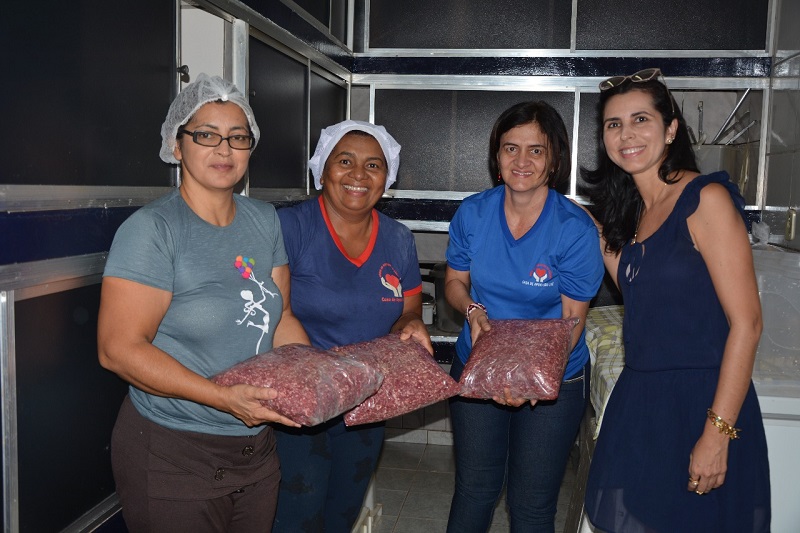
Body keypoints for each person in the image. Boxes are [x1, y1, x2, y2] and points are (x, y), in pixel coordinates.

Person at [97, 73, 310, 533]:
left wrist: (312, 376)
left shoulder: (264, 219)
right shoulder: (153, 231)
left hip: (256, 449)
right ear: (177, 146)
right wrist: (223, 399)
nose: (224, 149)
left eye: (238, 137)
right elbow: (118, 348)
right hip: (174, 450)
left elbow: (282, 318)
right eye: (206, 135)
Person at [581, 68, 770, 532]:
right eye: (613, 124)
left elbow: (747, 323)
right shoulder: (639, 211)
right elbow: (647, 294)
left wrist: (717, 433)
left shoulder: (705, 199)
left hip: (700, 404)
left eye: (640, 119)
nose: (626, 134)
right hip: (643, 401)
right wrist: (587, 224)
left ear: (670, 129)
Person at [444, 101, 604, 532]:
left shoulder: (574, 228)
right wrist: (473, 309)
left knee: (531, 503)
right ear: (496, 156)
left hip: (555, 374)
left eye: (536, 150)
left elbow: (572, 321)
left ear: (554, 160)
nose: (522, 161)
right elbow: (455, 283)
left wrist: (527, 376)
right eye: (510, 148)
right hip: (478, 363)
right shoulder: (473, 214)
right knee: (475, 490)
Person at [272, 120, 433, 532]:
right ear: (322, 169)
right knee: (296, 517)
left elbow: (408, 308)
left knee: (341, 516)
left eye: (374, 165)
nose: (359, 175)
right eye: (345, 161)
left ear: (388, 178)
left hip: (365, 407)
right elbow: (268, 315)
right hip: (299, 409)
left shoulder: (397, 238)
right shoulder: (291, 228)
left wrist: (412, 322)